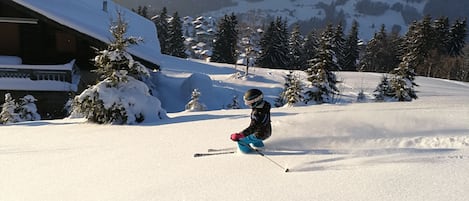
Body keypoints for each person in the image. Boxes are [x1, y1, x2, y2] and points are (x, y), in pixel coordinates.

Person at [230, 89, 272, 153]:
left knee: (241, 141)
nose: (248, 104)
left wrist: (241, 135)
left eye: (249, 102)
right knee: (254, 137)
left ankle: (248, 153)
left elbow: (254, 127)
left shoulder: (258, 113)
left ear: (256, 101)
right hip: (265, 132)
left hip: (260, 133)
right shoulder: (263, 106)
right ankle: (260, 147)